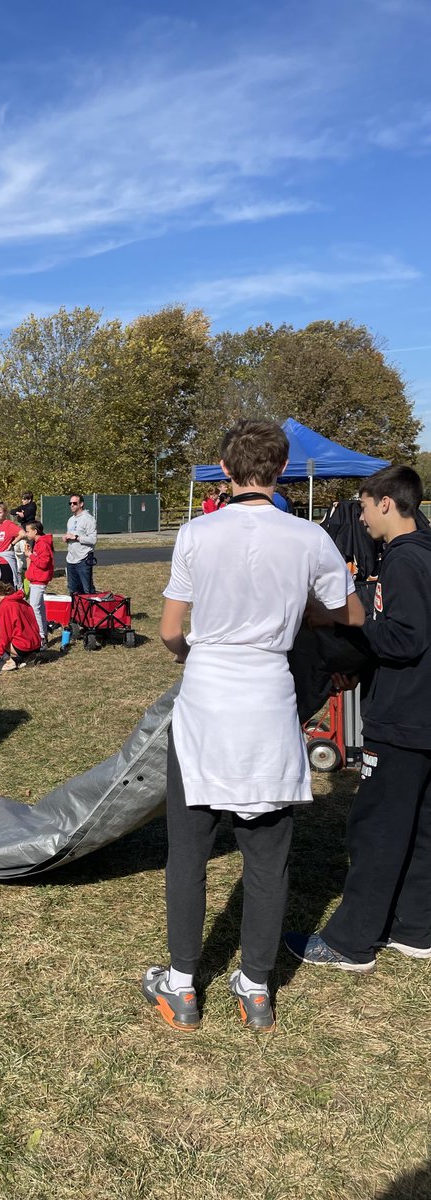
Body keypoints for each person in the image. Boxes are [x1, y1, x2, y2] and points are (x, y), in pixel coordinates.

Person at [145, 419, 362, 1033]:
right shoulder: (308, 536)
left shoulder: (195, 532)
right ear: (282, 468)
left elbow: (168, 629)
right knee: (268, 855)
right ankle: (257, 988)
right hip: (269, 697)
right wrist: (302, 610)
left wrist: (193, 655)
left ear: (223, 466)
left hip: (208, 698)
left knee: (188, 850)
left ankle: (183, 985)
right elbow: (347, 612)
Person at [285, 466, 431, 972]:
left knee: (377, 828)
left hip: (402, 718)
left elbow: (404, 638)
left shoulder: (404, 560)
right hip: (423, 715)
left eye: (365, 506)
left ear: (387, 503)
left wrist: (345, 622)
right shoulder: (427, 551)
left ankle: (351, 942)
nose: (362, 517)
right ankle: (414, 928)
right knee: (419, 824)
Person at [0, 579, 42, 675]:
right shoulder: (20, 600)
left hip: (23, 647)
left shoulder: (5, 606)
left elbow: (5, 637)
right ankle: (27, 656)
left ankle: (8, 661)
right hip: (36, 644)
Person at [23, 520, 55, 642]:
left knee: (34, 607)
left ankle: (41, 636)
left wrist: (31, 555)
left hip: (39, 580)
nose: (26, 533)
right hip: (36, 579)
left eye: (28, 531)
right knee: (39, 607)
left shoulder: (42, 544)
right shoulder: (39, 543)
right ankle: (43, 633)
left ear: (35, 531)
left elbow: (43, 563)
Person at [63, 493, 97, 596]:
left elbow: (93, 540)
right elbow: (71, 536)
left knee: (87, 589)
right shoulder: (70, 520)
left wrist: (76, 537)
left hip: (84, 558)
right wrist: (67, 538)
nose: (72, 505)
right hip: (71, 559)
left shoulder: (88, 519)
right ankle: (76, 611)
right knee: (73, 589)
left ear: (81, 504)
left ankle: (91, 610)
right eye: (70, 503)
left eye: (74, 503)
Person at [0, 502, 21, 585]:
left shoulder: (9, 524)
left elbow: (23, 533)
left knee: (7, 586)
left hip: (6, 561)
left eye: (0, 512)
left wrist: (12, 544)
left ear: (5, 513)